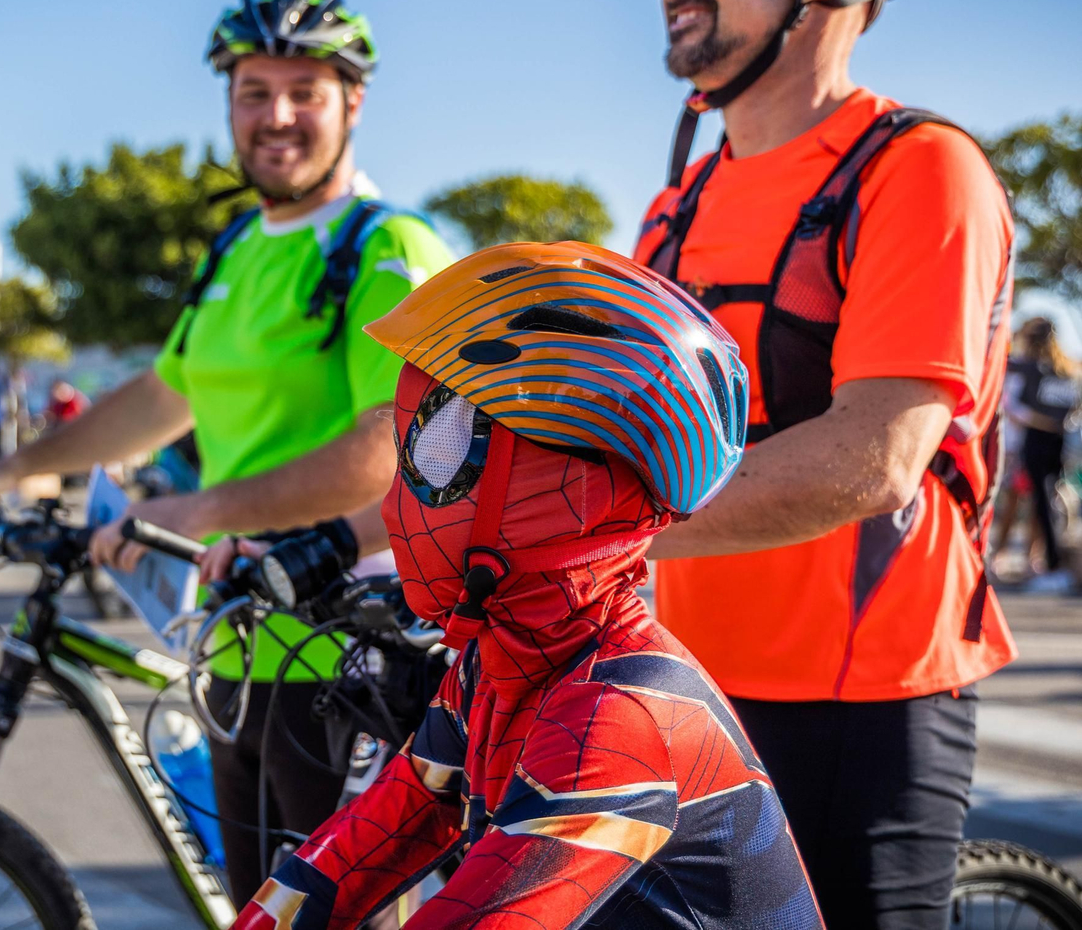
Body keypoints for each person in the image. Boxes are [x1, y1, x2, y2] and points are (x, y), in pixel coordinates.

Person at [0, 0, 455, 903]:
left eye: (306, 91)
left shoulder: (389, 246)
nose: (278, 116)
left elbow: (395, 445)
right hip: (233, 643)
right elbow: (159, 396)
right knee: (255, 908)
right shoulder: (237, 250)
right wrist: (10, 469)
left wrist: (192, 508)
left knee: (328, 917)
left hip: (343, 653)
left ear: (354, 103)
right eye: (254, 92)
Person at [617, 0, 1016, 925]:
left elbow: (872, 455)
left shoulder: (919, 169)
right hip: (689, 688)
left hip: (865, 708)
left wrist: (580, 530)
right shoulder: (673, 207)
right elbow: (606, 435)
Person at [232, 242, 821, 929]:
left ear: (572, 487)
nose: (399, 505)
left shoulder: (626, 718)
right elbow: (353, 853)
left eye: (443, 458)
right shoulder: (502, 663)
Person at [1004, 316, 1079, 589]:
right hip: (1058, 442)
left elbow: (1016, 408)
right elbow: (1071, 410)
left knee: (1042, 502)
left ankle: (1051, 562)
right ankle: (1043, 560)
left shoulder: (1032, 369)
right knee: (1047, 502)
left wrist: (1041, 422)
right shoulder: (1066, 371)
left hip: (1037, 442)